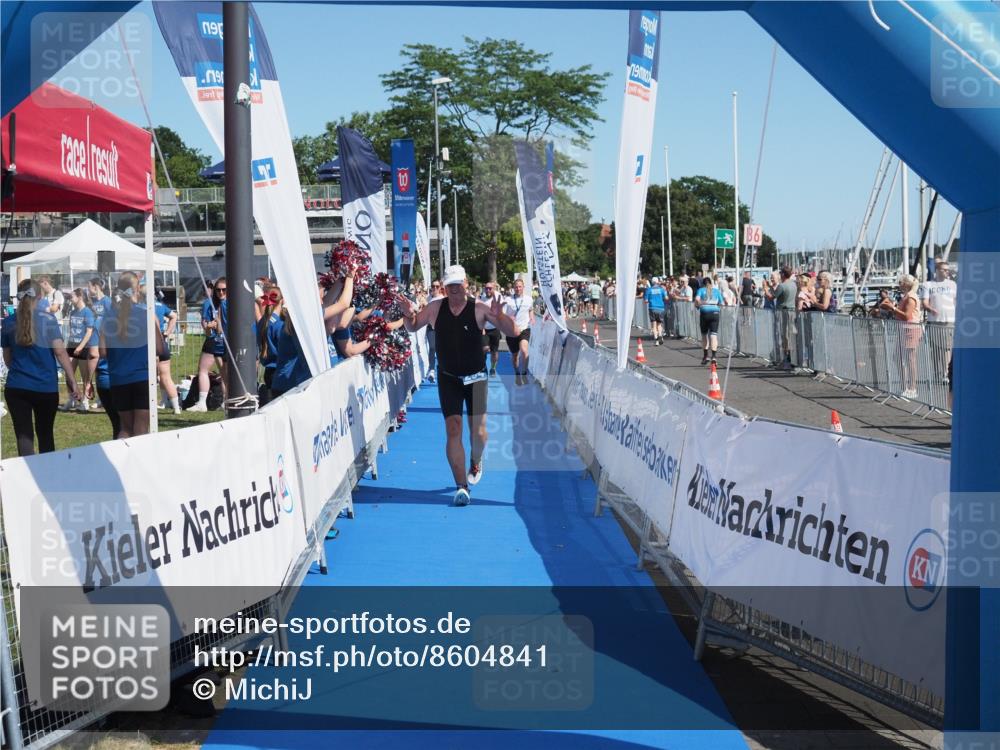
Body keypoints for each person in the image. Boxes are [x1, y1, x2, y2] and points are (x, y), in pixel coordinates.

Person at [397, 265, 519, 507]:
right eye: (449, 285)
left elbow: (512, 331)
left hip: (475, 377)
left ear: (466, 284)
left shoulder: (480, 308)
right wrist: (408, 314)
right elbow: (412, 326)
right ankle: (461, 487)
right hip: (448, 376)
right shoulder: (435, 308)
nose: (454, 289)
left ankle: (476, 458)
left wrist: (501, 316)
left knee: (479, 433)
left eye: (458, 284)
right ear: (444, 286)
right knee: (453, 429)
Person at [2, 280, 79, 456]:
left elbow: (7, 359)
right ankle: (47, 479)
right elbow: (60, 353)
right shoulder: (49, 319)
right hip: (45, 386)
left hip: (17, 386)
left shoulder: (8, 323)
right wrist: (72, 381)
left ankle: (26, 478)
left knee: (24, 437)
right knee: (45, 435)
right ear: (40, 296)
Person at [100, 272, 163, 438]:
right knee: (141, 429)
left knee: (125, 428)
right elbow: (160, 349)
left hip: (118, 378)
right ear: (137, 289)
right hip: (141, 377)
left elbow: (102, 352)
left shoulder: (108, 317)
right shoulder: (145, 314)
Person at [188, 277, 227, 412]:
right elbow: (206, 326)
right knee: (213, 372)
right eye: (218, 290)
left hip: (222, 342)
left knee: (217, 372)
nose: (221, 293)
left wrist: (211, 327)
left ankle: (219, 402)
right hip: (215, 340)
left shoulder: (215, 303)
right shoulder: (209, 303)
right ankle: (204, 402)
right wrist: (210, 327)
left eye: (224, 290)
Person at [882, 273, 922, 399]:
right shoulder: (906, 296)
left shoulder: (911, 297)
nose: (899, 285)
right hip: (904, 328)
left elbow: (907, 315)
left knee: (910, 359)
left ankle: (912, 387)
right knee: (898, 357)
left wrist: (892, 308)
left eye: (901, 283)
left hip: (910, 328)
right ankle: (904, 385)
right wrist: (891, 308)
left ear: (906, 284)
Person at [920, 257, 956, 384]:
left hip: (949, 321)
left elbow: (956, 301)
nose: (947, 272)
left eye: (948, 270)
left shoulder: (952, 284)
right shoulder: (928, 285)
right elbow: (924, 302)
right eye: (945, 270)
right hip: (934, 321)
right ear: (937, 270)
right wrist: (931, 309)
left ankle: (946, 373)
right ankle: (937, 373)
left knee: (946, 349)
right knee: (935, 349)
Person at [64, 288, 97, 412]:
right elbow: (71, 331)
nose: (70, 299)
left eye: (72, 297)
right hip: (72, 345)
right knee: (68, 373)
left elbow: (89, 332)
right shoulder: (72, 312)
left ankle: (85, 401)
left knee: (85, 376)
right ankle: (71, 399)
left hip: (83, 347)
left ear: (80, 297)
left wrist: (80, 347)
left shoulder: (87, 312)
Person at [151, 289, 181, 414]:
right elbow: (174, 316)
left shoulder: (143, 307)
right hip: (163, 344)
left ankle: (150, 405)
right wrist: (167, 333)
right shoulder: (160, 305)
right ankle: (176, 407)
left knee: (152, 377)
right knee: (165, 377)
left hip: (151, 345)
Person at [504, 277, 535, 384]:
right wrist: (508, 318)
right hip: (512, 331)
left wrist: (532, 317)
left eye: (520, 287)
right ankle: (517, 372)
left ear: (523, 287)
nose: (518, 288)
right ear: (513, 288)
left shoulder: (529, 299)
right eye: (516, 287)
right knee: (515, 355)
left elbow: (530, 309)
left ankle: (524, 371)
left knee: (524, 350)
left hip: (524, 328)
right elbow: (502, 315)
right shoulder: (508, 300)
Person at [87, 278, 113, 401]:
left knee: (99, 361)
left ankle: (102, 397)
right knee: (96, 364)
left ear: (96, 287)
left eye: (89, 287)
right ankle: (99, 397)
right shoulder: (92, 303)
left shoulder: (107, 301)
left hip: (104, 338)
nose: (88, 290)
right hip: (94, 336)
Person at [695, 276, 724, 365]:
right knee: (713, 334)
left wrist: (698, 305)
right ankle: (714, 356)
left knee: (704, 335)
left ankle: (706, 355)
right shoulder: (716, 291)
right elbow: (722, 303)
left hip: (704, 312)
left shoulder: (701, 290)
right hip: (715, 312)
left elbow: (697, 299)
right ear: (711, 283)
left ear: (703, 284)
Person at [774, 267, 798, 369]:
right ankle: (790, 359)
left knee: (784, 336)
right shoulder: (794, 284)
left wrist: (767, 288)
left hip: (784, 311)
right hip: (792, 310)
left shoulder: (782, 286)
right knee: (790, 334)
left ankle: (786, 360)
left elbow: (772, 296)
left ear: (783, 274)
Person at [479, 281, 503, 376]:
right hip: (484, 328)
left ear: (494, 289)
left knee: (494, 352)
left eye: (490, 288)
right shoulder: (481, 298)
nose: (488, 290)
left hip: (495, 328)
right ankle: (482, 367)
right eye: (486, 288)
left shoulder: (498, 298)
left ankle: (493, 368)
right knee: (484, 348)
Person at [425, 279, 444, 383]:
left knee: (440, 348)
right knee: (432, 348)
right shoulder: (428, 298)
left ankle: (442, 369)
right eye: (433, 286)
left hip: (440, 327)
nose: (434, 288)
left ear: (440, 288)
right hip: (430, 327)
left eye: (437, 287)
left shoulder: (443, 299)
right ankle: (431, 370)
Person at [644, 277, 668, 345]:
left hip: (652, 308)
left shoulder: (649, 290)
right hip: (660, 308)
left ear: (652, 282)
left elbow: (646, 301)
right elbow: (666, 298)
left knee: (654, 324)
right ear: (657, 282)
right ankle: (660, 335)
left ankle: (656, 340)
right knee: (659, 324)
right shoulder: (662, 289)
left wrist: (649, 300)